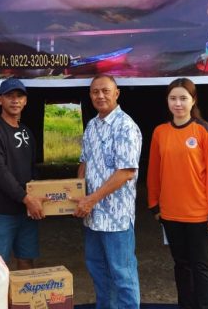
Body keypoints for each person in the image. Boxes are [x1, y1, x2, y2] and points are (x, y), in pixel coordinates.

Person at [146, 78, 208, 309]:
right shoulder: (160, 132)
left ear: (193, 101)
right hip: (170, 213)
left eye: (183, 98)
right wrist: (154, 203)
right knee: (180, 264)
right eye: (173, 98)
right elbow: (154, 171)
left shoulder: (204, 131)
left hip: (199, 214)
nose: (178, 103)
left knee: (200, 265)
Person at [73, 74, 143, 309]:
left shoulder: (126, 126)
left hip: (116, 219)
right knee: (99, 273)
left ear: (117, 93)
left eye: (105, 91)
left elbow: (125, 172)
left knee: (122, 275)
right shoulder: (92, 125)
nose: (100, 96)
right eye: (95, 92)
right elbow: (84, 163)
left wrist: (90, 200)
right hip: (92, 218)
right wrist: (78, 193)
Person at [0, 78, 46, 270]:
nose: (15, 100)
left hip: (26, 212)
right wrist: (26, 198)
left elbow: (32, 168)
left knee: (26, 260)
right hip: (1, 212)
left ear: (25, 101)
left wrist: (38, 194)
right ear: (0, 100)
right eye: (9, 96)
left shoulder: (27, 132)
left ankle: (23, 301)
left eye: (19, 96)